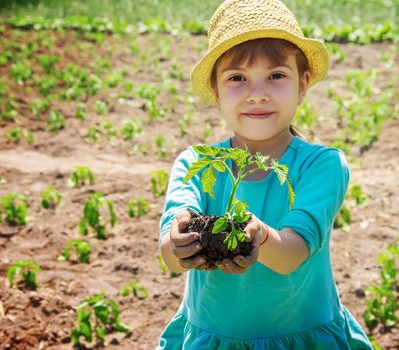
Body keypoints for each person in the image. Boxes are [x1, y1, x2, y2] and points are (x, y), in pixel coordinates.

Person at [157, 0, 373, 348]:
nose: (257, 95)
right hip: (214, 337)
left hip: (301, 337)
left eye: (275, 76)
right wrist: (179, 240)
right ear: (215, 90)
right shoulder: (195, 162)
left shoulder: (322, 165)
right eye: (237, 78)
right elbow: (170, 256)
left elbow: (290, 255)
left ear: (302, 85)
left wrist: (255, 234)